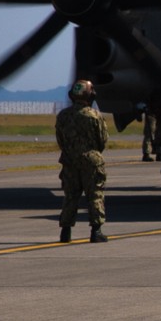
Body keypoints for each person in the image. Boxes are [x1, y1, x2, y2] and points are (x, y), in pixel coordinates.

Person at [55, 80, 109, 243]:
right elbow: (102, 140)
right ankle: (96, 231)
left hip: (69, 160)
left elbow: (60, 140)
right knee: (95, 195)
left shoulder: (63, 115)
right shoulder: (94, 115)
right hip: (91, 161)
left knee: (70, 196)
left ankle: (65, 232)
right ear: (90, 95)